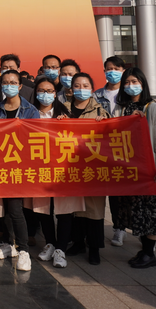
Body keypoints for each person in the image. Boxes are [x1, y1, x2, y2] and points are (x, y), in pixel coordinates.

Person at [111, 68, 156, 269]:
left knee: (148, 209)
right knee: (133, 210)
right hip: (126, 168)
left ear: (142, 84)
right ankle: (144, 250)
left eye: (134, 81)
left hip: (145, 168)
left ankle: (149, 253)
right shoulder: (120, 108)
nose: (130, 85)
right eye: (127, 82)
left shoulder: (151, 108)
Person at [56, 72, 110, 265]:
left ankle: (94, 247)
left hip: (92, 166)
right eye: (77, 86)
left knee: (94, 209)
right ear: (71, 88)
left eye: (85, 86)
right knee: (74, 208)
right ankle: (78, 243)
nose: (81, 89)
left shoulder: (100, 110)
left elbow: (112, 134)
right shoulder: (63, 108)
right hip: (69, 166)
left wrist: (104, 124)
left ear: (92, 88)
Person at [31, 75, 80, 269]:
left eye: (49, 91)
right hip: (40, 169)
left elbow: (76, 138)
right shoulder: (30, 114)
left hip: (61, 171)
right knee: (44, 209)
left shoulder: (64, 112)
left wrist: (66, 123)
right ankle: (50, 243)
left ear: (55, 93)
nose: (45, 94)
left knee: (64, 210)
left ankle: (61, 248)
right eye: (41, 90)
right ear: (36, 93)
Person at [0, 69, 38, 272]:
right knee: (3, 207)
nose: (9, 86)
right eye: (5, 82)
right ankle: (7, 243)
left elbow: (36, 139)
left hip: (19, 166)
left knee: (15, 208)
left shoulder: (30, 110)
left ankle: (24, 250)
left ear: (20, 86)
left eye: (13, 82)